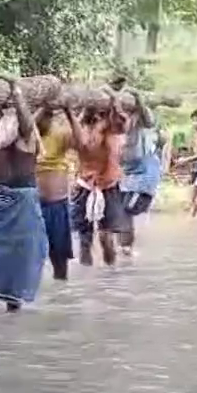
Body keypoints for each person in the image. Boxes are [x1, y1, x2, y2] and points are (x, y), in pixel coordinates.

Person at [0, 77, 48, 311]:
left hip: (21, 200)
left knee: (19, 256)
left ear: (0, 112)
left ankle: (12, 304)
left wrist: (16, 91)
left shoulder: (21, 134)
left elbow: (26, 123)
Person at [67, 92, 130, 266]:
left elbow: (121, 124)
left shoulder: (109, 127)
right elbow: (76, 141)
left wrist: (115, 101)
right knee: (84, 238)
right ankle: (95, 277)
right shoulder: (82, 128)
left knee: (105, 236)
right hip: (85, 183)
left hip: (107, 184)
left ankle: (109, 276)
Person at [116, 91, 165, 256]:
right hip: (127, 174)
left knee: (126, 210)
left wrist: (138, 99)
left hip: (144, 173)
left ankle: (126, 249)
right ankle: (124, 250)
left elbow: (149, 121)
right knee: (120, 211)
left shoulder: (140, 121)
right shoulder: (117, 120)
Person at [34, 107, 76, 280]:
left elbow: (80, 142)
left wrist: (68, 112)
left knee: (59, 256)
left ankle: (61, 295)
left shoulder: (60, 133)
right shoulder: (25, 134)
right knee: (32, 256)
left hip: (56, 202)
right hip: (32, 204)